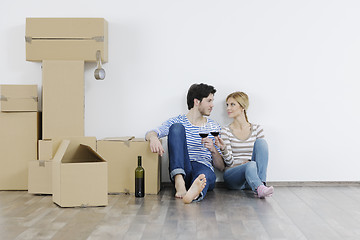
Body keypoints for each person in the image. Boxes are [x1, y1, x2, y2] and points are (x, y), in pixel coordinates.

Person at [145, 83, 224, 204]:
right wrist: (154, 138)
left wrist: (213, 149)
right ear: (197, 102)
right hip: (183, 168)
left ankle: (194, 194)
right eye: (209, 101)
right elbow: (151, 132)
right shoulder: (178, 121)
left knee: (204, 176)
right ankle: (179, 182)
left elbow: (221, 167)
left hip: (203, 166)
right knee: (176, 128)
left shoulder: (214, 126)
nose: (212, 105)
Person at [214, 91, 274, 198]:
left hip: (251, 176)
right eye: (227, 105)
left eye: (232, 104)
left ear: (243, 107)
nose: (228, 108)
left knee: (261, 143)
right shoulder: (226, 131)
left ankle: (260, 185)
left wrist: (250, 163)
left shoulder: (257, 129)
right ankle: (259, 187)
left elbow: (261, 159)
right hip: (233, 177)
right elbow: (229, 163)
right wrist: (224, 149)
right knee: (250, 165)